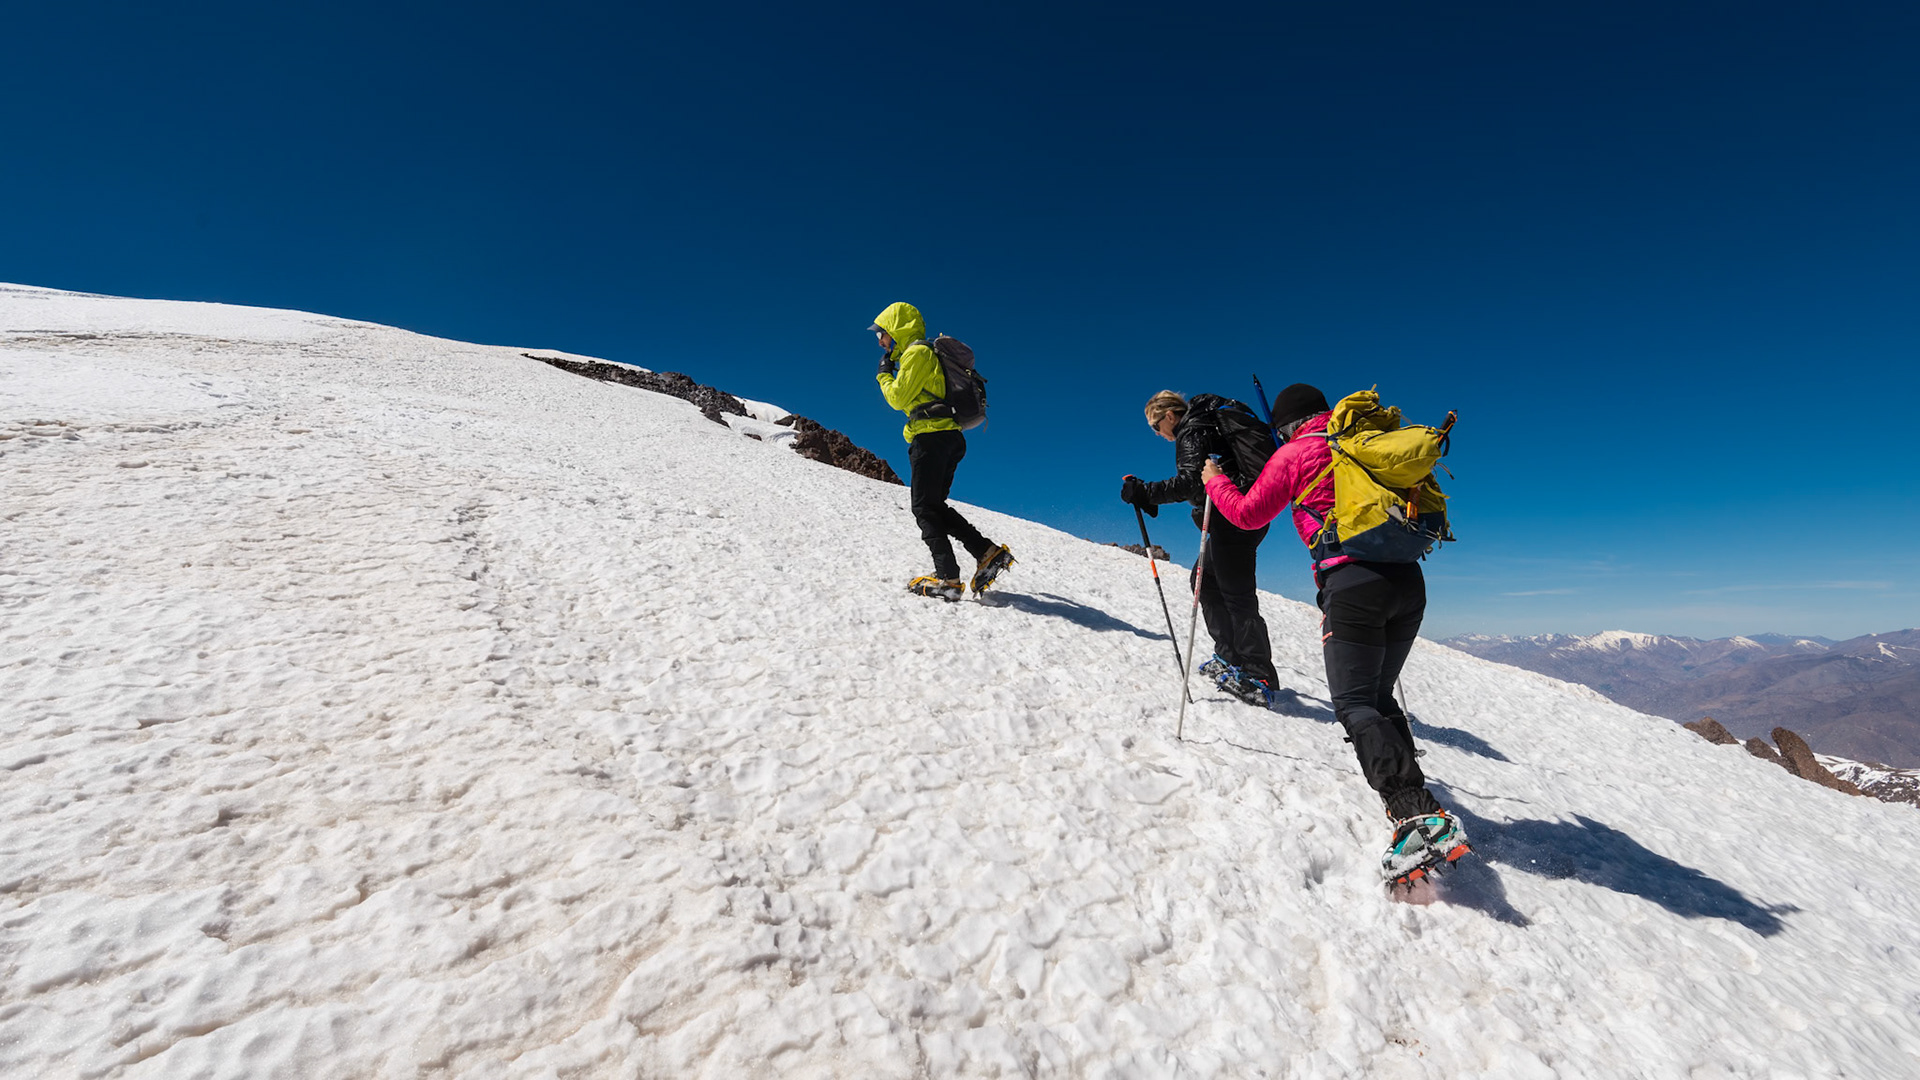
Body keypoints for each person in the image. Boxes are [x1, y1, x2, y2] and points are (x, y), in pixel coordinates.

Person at [1199, 383, 1467, 881]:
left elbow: (1247, 514)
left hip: (1352, 585)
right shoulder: (1363, 440)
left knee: (1355, 704)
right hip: (1408, 581)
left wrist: (1215, 481)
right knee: (1377, 696)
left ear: (1286, 425)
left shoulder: (1295, 453)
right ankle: (1416, 805)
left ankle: (1418, 816)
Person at [1121, 390, 1278, 706]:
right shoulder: (1206, 423)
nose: (1157, 434)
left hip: (1231, 515)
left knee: (1237, 594)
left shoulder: (1191, 430)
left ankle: (1258, 676)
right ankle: (1230, 657)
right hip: (1237, 513)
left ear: (1169, 416)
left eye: (1156, 426)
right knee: (1204, 582)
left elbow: (1192, 482)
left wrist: (1146, 492)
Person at [870, 302, 1013, 601]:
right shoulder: (920, 354)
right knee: (933, 507)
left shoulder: (917, 353)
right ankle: (986, 552)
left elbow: (898, 398)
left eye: (881, 334)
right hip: (945, 436)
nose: (880, 341)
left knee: (924, 508)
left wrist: (884, 375)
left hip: (932, 438)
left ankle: (948, 578)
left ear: (895, 330)